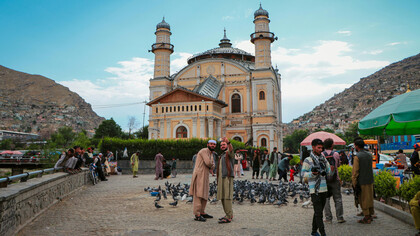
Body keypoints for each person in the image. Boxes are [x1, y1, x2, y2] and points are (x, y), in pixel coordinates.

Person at [301, 139, 331, 236]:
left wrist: (325, 165)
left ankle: (314, 231)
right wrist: (312, 173)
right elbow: (302, 175)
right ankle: (323, 233)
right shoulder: (308, 160)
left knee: (318, 212)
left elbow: (329, 171)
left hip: (324, 189)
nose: (320, 150)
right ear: (313, 147)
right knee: (319, 213)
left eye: (321, 148)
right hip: (315, 189)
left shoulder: (323, 158)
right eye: (318, 148)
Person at [189, 140, 216, 222]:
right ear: (207, 144)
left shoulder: (211, 153)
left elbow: (213, 166)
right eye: (211, 144)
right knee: (198, 194)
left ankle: (202, 212)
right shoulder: (203, 151)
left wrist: (211, 164)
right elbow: (209, 163)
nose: (212, 145)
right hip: (199, 174)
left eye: (214, 144)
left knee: (204, 193)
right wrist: (211, 164)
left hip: (205, 175)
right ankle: (197, 214)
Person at [352, 137, 375, 224]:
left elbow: (355, 171)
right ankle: (370, 214)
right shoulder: (369, 154)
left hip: (361, 181)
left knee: (363, 199)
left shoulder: (357, 157)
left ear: (356, 146)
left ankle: (367, 217)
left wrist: (354, 182)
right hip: (370, 180)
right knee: (370, 198)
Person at [323, 138, 346, 224]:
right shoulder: (336, 154)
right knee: (338, 199)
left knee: (326, 199)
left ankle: (328, 218)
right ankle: (340, 217)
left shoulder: (322, 154)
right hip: (335, 179)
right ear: (332, 145)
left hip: (324, 180)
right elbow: (338, 165)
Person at [217, 137, 234, 223]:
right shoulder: (222, 154)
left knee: (227, 196)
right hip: (221, 177)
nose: (222, 146)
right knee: (222, 196)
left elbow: (231, 151)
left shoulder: (228, 153)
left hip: (227, 177)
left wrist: (229, 142)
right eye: (221, 145)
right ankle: (228, 214)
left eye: (224, 144)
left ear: (227, 145)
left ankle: (229, 216)